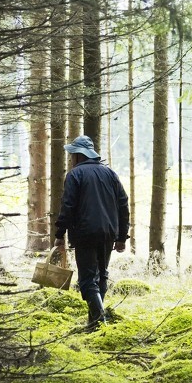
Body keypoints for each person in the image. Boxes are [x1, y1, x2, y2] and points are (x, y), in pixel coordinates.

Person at [54, 135, 129, 330]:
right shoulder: (110, 173)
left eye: (72, 155)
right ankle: (93, 323)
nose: (71, 159)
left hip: (85, 234)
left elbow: (67, 206)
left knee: (87, 280)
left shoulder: (75, 175)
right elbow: (123, 205)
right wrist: (121, 236)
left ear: (79, 156)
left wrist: (59, 234)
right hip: (108, 233)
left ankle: (100, 322)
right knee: (101, 276)